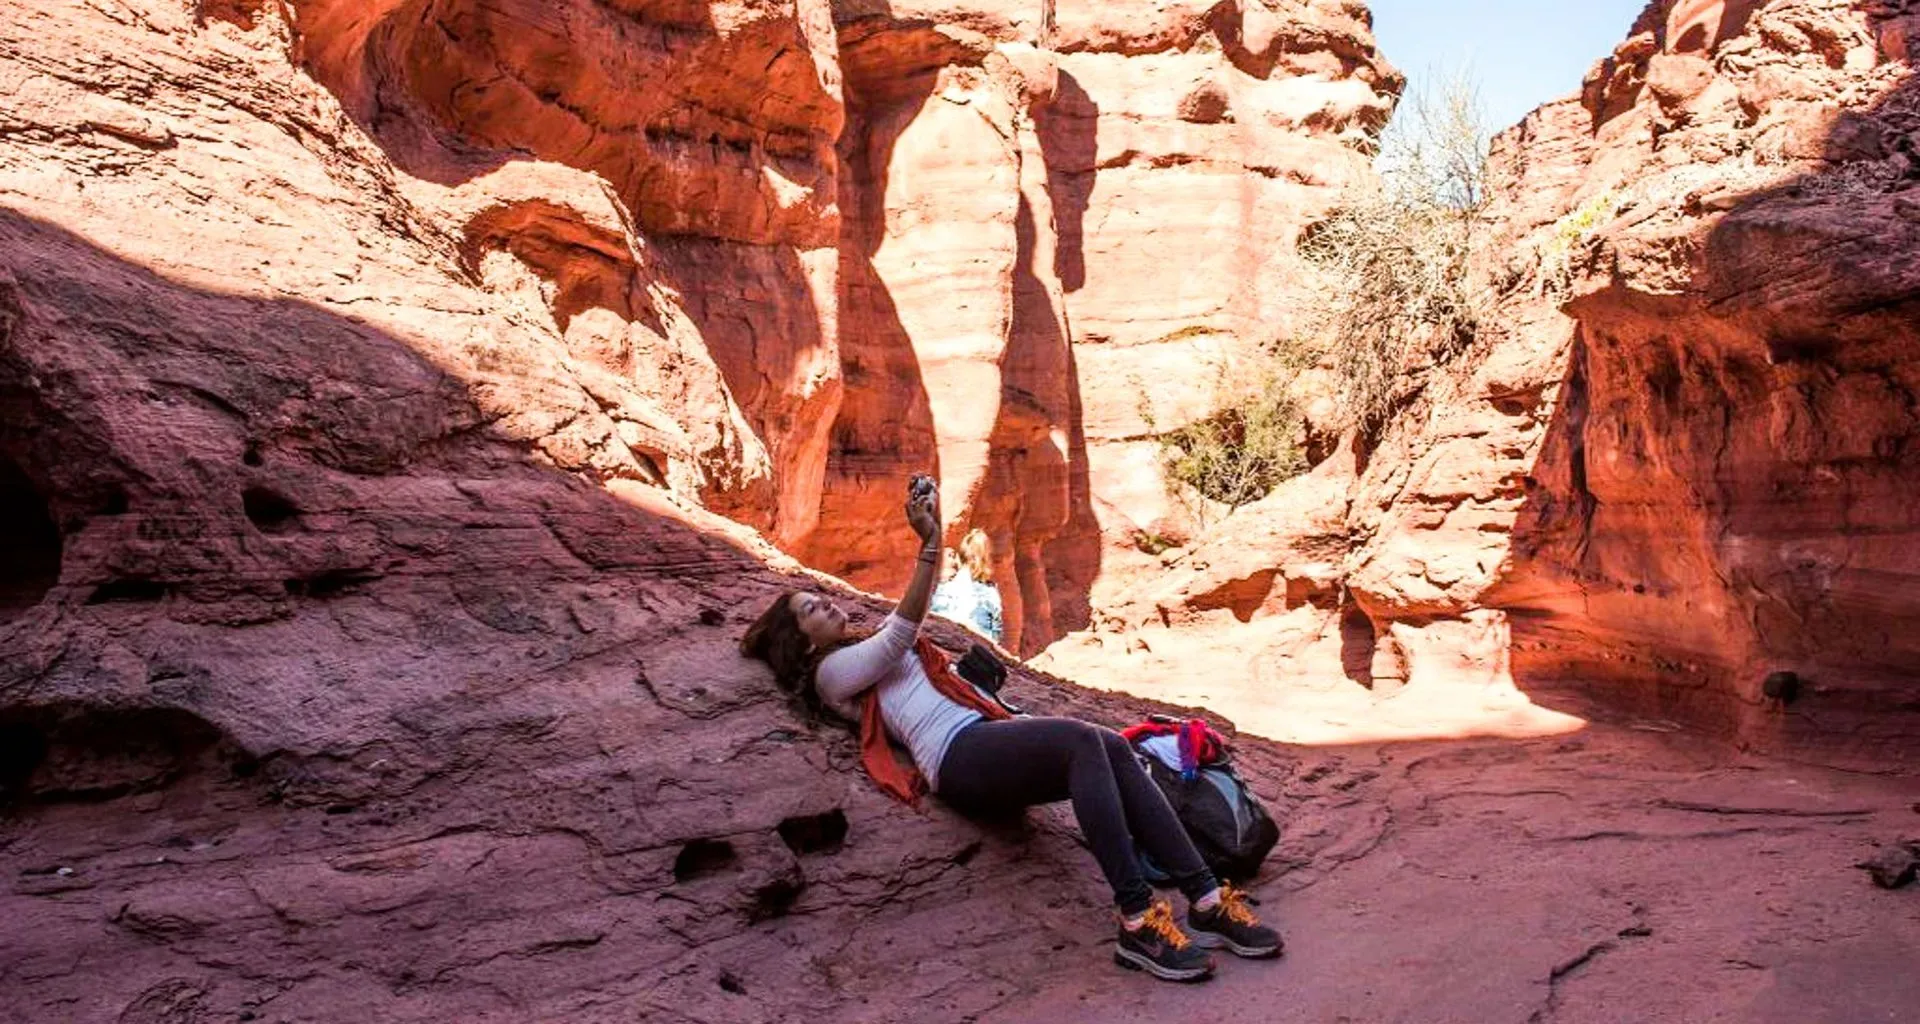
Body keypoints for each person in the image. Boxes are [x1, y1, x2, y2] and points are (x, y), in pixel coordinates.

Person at [741, 474, 1282, 982]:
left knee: (1110, 746)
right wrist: (929, 542)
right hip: (957, 758)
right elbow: (901, 633)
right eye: (812, 607)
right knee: (1079, 741)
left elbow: (918, 657)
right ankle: (1137, 921)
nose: (828, 604)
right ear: (801, 640)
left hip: (983, 742)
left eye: (820, 596)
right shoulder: (830, 673)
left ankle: (1207, 901)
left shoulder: (855, 647)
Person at [929, 527, 1004, 644]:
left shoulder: (941, 589)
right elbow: (996, 634)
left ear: (960, 558)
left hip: (944, 647)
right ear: (985, 559)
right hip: (976, 653)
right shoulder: (989, 592)